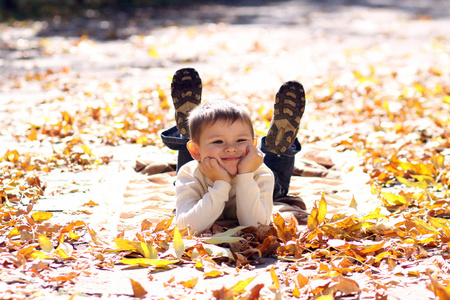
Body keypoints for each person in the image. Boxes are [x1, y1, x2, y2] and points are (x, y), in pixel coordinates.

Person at [160, 68, 306, 233]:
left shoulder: (261, 174)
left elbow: (257, 226)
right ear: (195, 151)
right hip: (198, 161)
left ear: (253, 144)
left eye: (241, 140)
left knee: (276, 185)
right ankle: (191, 130)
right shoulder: (189, 174)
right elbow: (187, 228)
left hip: (252, 172)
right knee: (278, 187)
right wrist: (221, 184)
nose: (231, 148)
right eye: (219, 141)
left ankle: (278, 149)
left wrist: (245, 175)